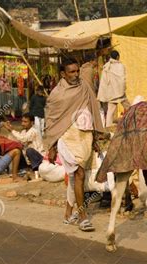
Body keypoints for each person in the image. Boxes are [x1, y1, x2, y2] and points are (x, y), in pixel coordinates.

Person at [44, 58, 106, 232]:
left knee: (76, 177)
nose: (76, 75)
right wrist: (52, 145)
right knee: (78, 174)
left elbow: (92, 111)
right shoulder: (57, 94)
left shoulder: (84, 87)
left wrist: (94, 138)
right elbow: (52, 120)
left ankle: (68, 212)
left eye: (77, 71)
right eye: (71, 72)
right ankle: (83, 217)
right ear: (63, 74)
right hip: (67, 136)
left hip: (84, 135)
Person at [97, 50, 130, 127]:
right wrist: (122, 89)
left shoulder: (106, 66)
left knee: (110, 111)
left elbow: (104, 82)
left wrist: (105, 93)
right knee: (129, 108)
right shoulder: (120, 66)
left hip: (111, 93)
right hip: (120, 93)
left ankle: (108, 127)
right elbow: (122, 80)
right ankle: (133, 121)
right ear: (118, 57)